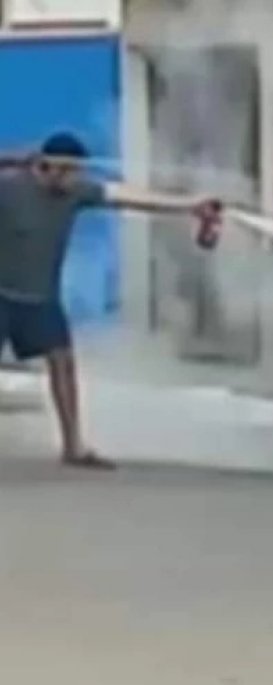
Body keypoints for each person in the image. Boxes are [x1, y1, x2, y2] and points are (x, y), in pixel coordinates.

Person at [0, 132, 219, 469]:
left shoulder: (75, 194)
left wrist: (189, 206)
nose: (76, 179)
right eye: (69, 171)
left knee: (63, 362)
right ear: (48, 168)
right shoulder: (9, 188)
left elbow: (128, 198)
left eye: (78, 172)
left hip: (41, 297)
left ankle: (73, 445)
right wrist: (8, 158)